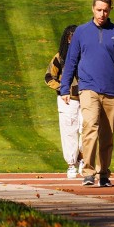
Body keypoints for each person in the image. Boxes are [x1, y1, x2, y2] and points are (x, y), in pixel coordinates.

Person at [59, 0, 114, 187]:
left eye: (106, 11)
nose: (102, 14)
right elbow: (71, 60)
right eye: (99, 10)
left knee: (108, 134)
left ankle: (104, 173)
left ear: (110, 11)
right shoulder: (82, 32)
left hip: (112, 90)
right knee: (90, 126)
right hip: (88, 88)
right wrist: (65, 87)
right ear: (93, 9)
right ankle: (89, 172)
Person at [45, 24, 83, 178]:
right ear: (67, 39)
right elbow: (48, 77)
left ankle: (83, 158)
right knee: (69, 132)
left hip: (87, 98)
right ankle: (71, 164)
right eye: (71, 37)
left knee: (87, 129)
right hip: (67, 100)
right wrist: (62, 89)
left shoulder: (87, 55)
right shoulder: (59, 57)